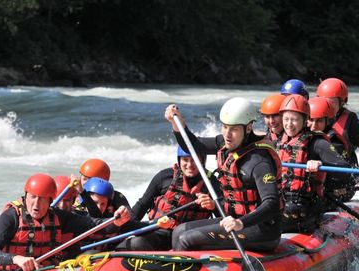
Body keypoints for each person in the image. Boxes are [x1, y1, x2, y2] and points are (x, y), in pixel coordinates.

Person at [165, 97, 284, 252]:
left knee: (186, 239)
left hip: (262, 230)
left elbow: (272, 203)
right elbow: (193, 145)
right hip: (234, 221)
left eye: (234, 129)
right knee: (179, 231)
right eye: (225, 127)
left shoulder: (259, 161)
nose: (227, 134)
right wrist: (177, 123)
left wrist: (241, 223)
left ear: (248, 128)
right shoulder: (226, 143)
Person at [0, 173, 130, 271]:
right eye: (33, 197)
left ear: (50, 201)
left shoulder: (59, 217)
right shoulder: (10, 217)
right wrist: (17, 259)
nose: (36, 204)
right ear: (26, 196)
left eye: (42, 199)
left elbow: (95, 226)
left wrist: (117, 222)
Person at [116, 146, 220, 250]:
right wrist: (134, 226)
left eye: (194, 160)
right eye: (185, 160)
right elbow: (141, 207)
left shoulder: (212, 183)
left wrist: (214, 205)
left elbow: (223, 217)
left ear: (202, 161)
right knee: (136, 242)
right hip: (159, 233)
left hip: (190, 238)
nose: (189, 165)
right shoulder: (164, 177)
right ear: (179, 160)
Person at [277, 94, 351, 232]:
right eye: (286, 119)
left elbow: (345, 171)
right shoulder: (281, 141)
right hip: (282, 201)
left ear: (305, 120)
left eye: (294, 120)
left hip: (306, 207)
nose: (289, 124)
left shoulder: (317, 143)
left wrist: (320, 166)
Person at [308, 97, 357, 204]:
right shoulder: (302, 136)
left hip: (336, 189)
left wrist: (321, 163)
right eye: (310, 120)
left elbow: (343, 173)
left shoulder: (334, 141)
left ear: (327, 120)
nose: (313, 126)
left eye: (319, 121)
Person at [316, 77, 359, 165]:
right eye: (324, 101)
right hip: (318, 167)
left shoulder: (351, 120)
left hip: (343, 168)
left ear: (343, 102)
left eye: (331, 102)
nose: (327, 106)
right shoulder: (311, 118)